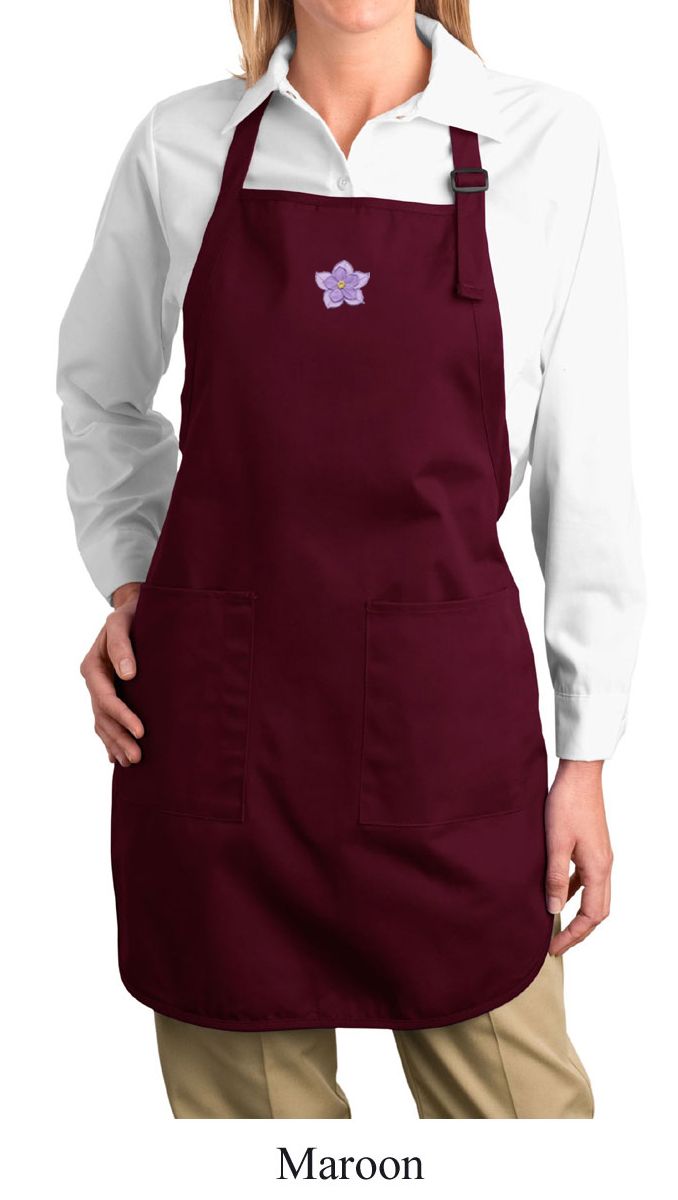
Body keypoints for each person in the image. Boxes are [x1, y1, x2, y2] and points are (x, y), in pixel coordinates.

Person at [56, 0, 644, 1119]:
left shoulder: (545, 140)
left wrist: (588, 752)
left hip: (448, 747)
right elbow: (100, 391)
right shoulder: (182, 144)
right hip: (220, 743)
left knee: (527, 1134)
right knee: (258, 1162)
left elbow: (590, 467)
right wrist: (136, 583)